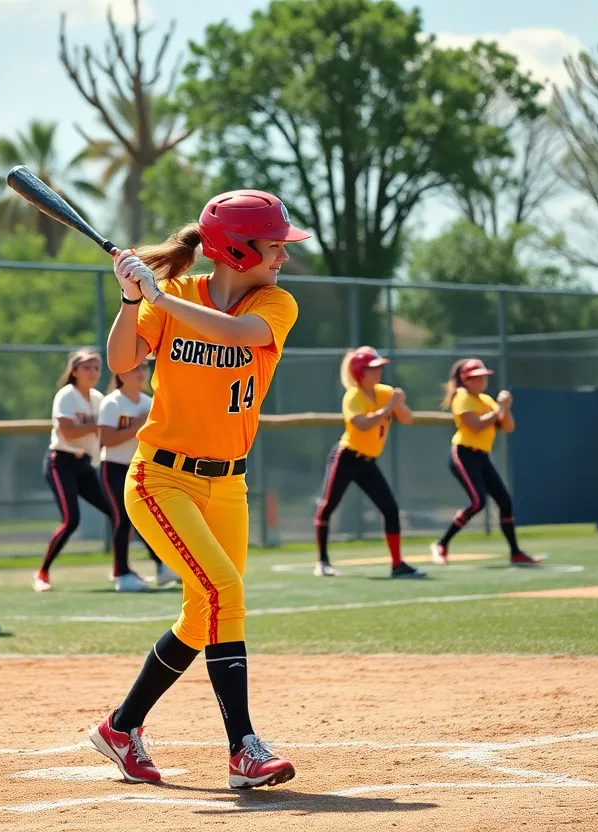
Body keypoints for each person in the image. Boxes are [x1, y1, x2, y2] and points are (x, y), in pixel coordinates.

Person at [88, 189, 306, 790]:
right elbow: (121, 358)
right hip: (161, 478)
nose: (283, 256)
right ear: (236, 250)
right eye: (274, 246)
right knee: (226, 592)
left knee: (203, 613)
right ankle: (244, 749)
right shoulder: (174, 298)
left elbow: (238, 335)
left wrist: (156, 295)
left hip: (227, 485)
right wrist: (134, 300)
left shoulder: (278, 304)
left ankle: (121, 726)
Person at [312, 346, 425, 579]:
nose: (379, 373)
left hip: (367, 462)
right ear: (359, 372)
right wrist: (388, 408)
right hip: (346, 457)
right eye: (373, 369)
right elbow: (361, 424)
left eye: (379, 368)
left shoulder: (384, 392)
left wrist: (399, 404)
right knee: (328, 505)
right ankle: (322, 561)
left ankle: (397, 564)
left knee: (390, 509)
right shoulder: (353, 396)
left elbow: (407, 419)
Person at [430, 358, 541, 568]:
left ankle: (515, 553)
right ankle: (441, 544)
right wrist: (498, 410)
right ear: (465, 380)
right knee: (478, 502)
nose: (481, 381)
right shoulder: (461, 397)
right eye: (475, 377)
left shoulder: (486, 400)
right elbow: (475, 425)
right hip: (463, 453)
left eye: (483, 377)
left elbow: (508, 427)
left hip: (481, 456)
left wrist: (505, 409)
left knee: (505, 501)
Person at [34, 349, 114, 592]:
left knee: (116, 511)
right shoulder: (66, 395)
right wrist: (98, 425)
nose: (93, 372)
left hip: (84, 464)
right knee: (71, 520)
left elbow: (102, 433)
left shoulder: (99, 398)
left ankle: (121, 569)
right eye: (87, 367)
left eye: (97, 367)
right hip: (61, 462)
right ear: (75, 371)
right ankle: (42, 572)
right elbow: (68, 432)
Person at [97, 361, 179, 591]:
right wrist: (138, 426)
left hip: (140, 467)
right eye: (134, 368)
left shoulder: (149, 402)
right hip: (113, 467)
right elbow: (107, 439)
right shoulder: (112, 402)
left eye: (143, 368)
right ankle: (122, 575)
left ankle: (162, 567)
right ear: (121, 374)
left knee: (148, 518)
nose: (141, 373)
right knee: (123, 519)